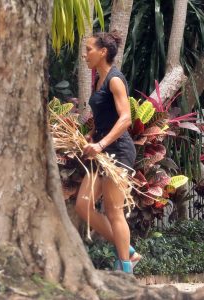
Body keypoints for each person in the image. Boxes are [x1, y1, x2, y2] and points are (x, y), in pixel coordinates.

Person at [75, 31, 142, 273]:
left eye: (89, 49)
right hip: (100, 151)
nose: (85, 55)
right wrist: (93, 134)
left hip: (118, 151)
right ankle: (129, 250)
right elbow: (106, 116)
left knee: (114, 211)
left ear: (103, 52)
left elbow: (125, 119)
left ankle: (125, 267)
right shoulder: (99, 80)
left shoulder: (115, 79)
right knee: (83, 206)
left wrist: (101, 144)